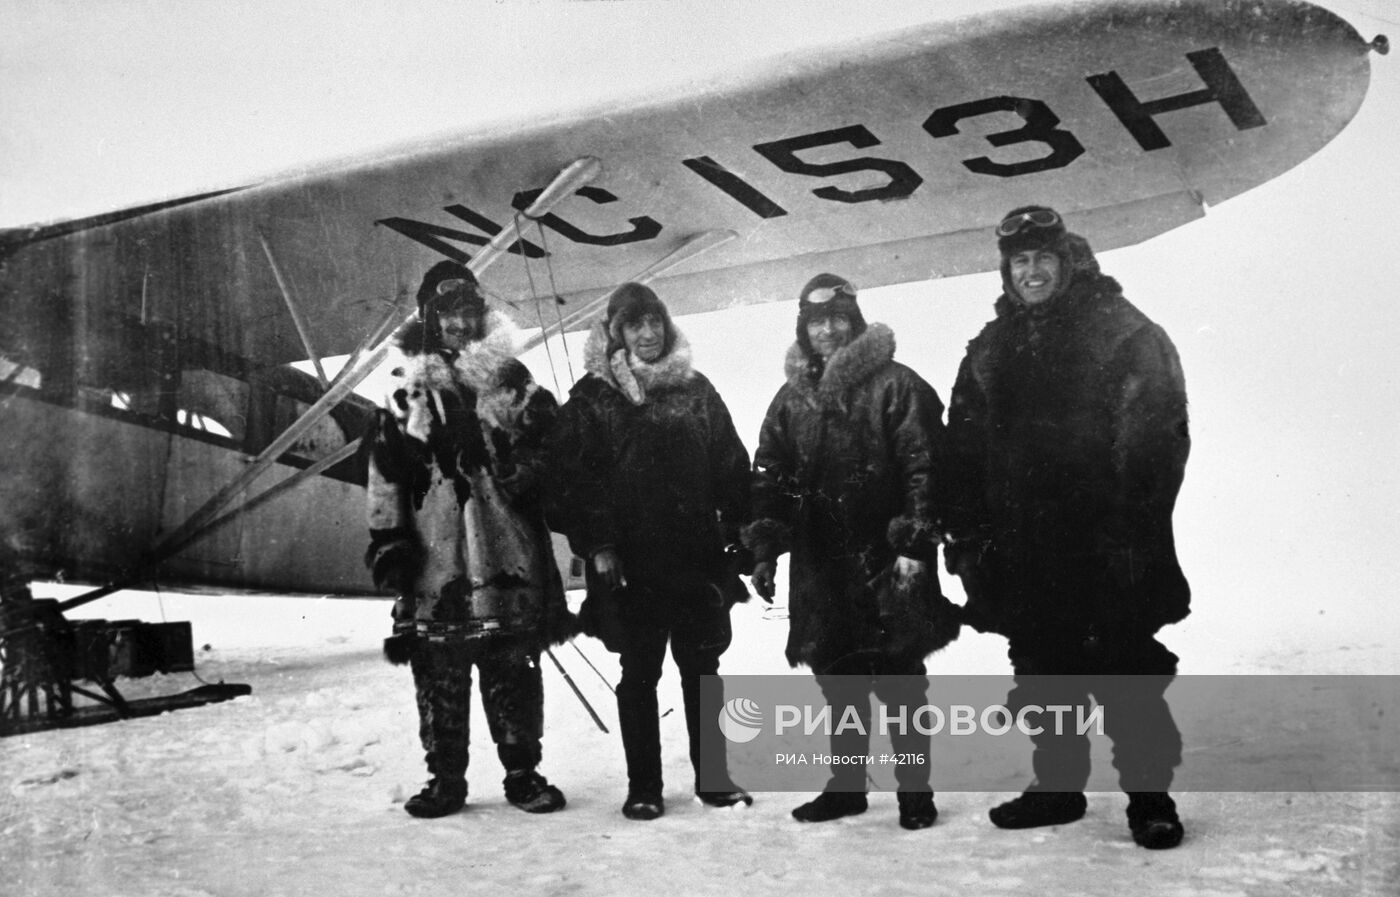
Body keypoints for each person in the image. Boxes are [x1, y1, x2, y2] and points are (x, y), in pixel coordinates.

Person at [943, 205, 1192, 849]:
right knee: (1041, 668)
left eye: (1042, 259)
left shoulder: (1123, 331)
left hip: (1106, 545)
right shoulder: (991, 348)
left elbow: (1157, 440)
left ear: (1068, 260)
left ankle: (1149, 798)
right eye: (1019, 262)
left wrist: (1126, 531)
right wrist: (970, 537)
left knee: (1124, 671)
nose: (1031, 272)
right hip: (1024, 548)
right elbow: (962, 449)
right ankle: (1057, 787)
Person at [745, 274, 959, 831]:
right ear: (804, 327)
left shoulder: (897, 385)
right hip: (822, 562)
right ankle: (846, 789)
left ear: (855, 321)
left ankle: (916, 793)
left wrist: (914, 545)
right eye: (817, 321)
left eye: (840, 317)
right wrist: (766, 545)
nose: (829, 330)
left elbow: (925, 466)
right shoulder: (791, 400)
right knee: (837, 677)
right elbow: (770, 473)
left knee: (899, 679)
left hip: (889, 559)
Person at [364, 261, 573, 819]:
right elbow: (384, 476)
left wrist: (523, 469)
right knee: (439, 672)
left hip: (507, 552)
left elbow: (555, 443)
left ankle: (523, 774)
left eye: (467, 312)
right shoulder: (403, 390)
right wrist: (389, 543)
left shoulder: (509, 379)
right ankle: (445, 780)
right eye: (447, 313)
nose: (459, 323)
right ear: (429, 319)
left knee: (512, 668)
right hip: (436, 560)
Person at [547, 282, 754, 821]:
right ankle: (645, 787)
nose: (647, 333)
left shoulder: (697, 390)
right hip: (630, 565)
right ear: (616, 332)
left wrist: (735, 529)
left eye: (654, 322)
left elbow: (731, 463)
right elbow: (572, 482)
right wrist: (599, 544)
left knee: (703, 668)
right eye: (635, 324)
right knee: (640, 671)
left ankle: (714, 778)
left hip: (696, 557)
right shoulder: (593, 398)